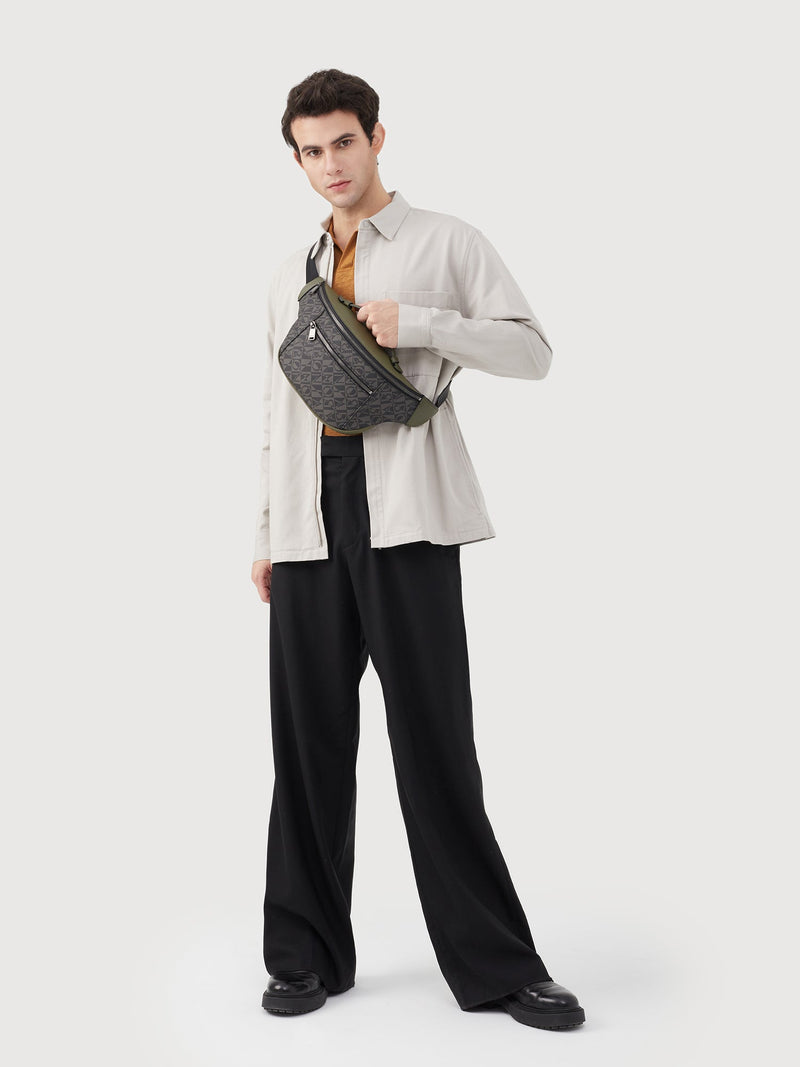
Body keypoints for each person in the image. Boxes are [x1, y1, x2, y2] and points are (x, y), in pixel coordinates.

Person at [251, 68, 585, 1031]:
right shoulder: (289, 270)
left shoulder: (446, 242)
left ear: (377, 138)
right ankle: (304, 955)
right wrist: (267, 533)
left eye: (343, 143)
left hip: (409, 510)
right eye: (311, 151)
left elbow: (533, 351)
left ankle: (498, 964)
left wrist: (424, 323)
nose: (329, 165)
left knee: (435, 736)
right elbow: (274, 412)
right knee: (306, 743)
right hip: (309, 515)